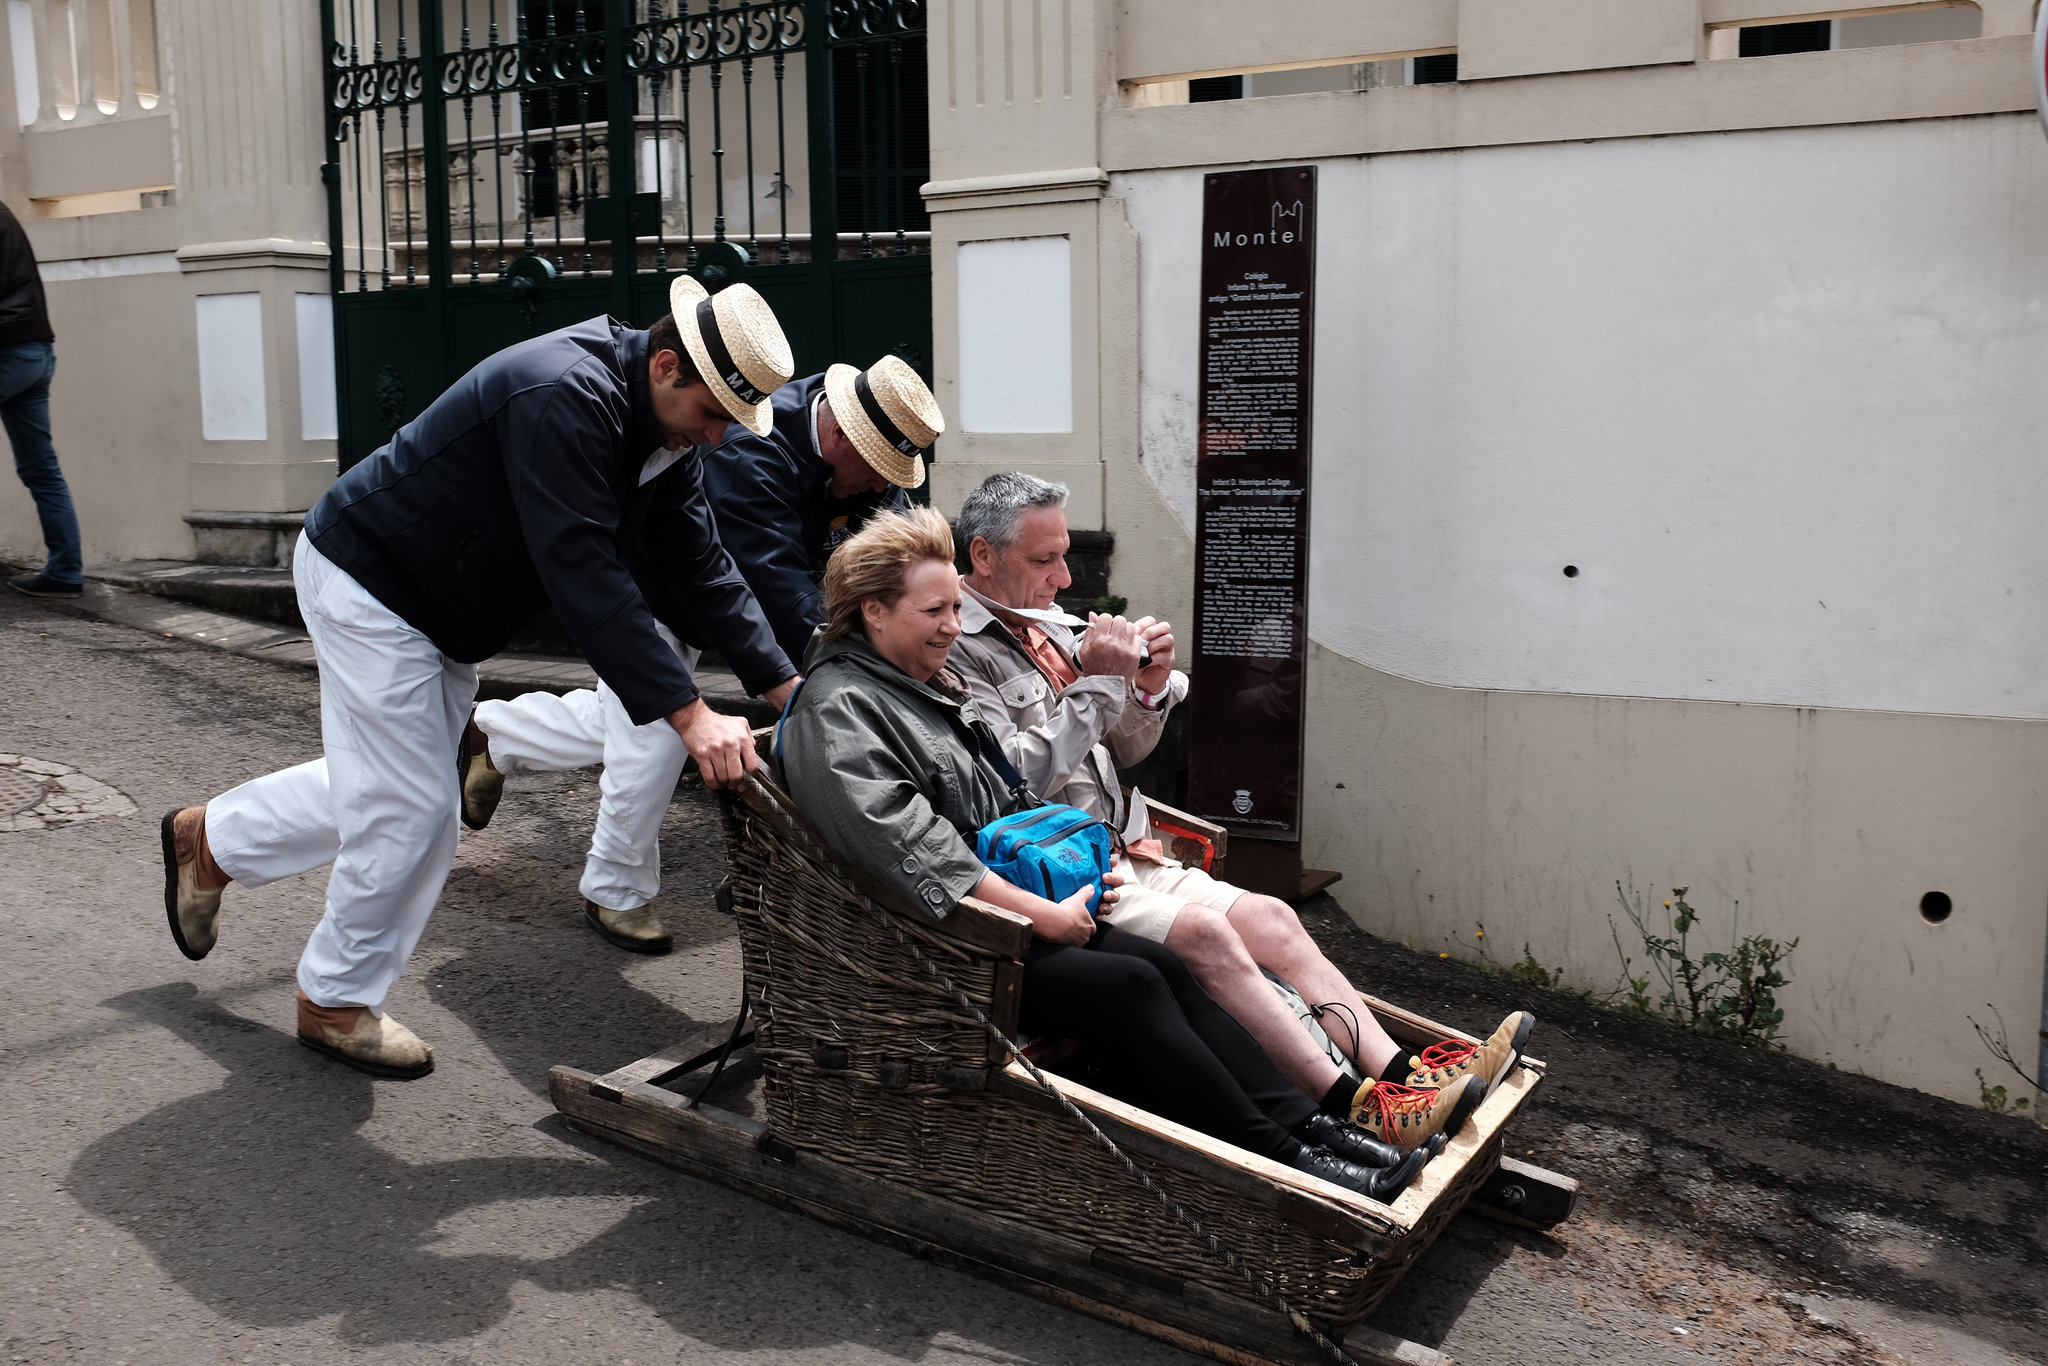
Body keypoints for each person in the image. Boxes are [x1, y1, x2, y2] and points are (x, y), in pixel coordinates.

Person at [156, 277, 799, 1078]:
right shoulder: (565, 392)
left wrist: (785, 686)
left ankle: (211, 839)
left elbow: (699, 563)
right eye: (714, 416)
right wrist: (687, 713)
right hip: (372, 581)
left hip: (434, 607)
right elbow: (584, 570)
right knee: (417, 811)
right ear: (666, 366)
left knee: (396, 789)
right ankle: (334, 1000)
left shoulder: (662, 430)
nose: (715, 440)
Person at [776, 507, 1480, 1195]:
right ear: (873, 611)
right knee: (1132, 986)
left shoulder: (918, 684)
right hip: (935, 947)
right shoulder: (839, 708)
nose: (952, 627)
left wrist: (1082, 856)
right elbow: (915, 852)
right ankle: (1290, 1161)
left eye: (955, 610)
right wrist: (1044, 916)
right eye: (935, 612)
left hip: (1004, 914)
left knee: (1164, 964)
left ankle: (1324, 1131)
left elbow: (1010, 803)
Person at [949, 472, 1533, 1138]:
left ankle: (1406, 1076)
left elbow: (1128, 751)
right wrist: (1102, 685)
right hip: (1067, 874)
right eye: (1043, 559)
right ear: (984, 557)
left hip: (1120, 845)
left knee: (1275, 918)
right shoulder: (957, 649)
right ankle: (1362, 1109)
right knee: (1210, 935)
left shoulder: (1048, 627)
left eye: (1063, 555)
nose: (1064, 577)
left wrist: (1143, 692)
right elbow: (1017, 783)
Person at [456, 356, 939, 953]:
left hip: (728, 598)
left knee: (628, 718)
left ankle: (494, 732)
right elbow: (775, 586)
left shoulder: (869, 463)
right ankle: (616, 889)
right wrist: (839, 670)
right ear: (841, 432)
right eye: (877, 469)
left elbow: (883, 563)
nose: (881, 486)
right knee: (660, 729)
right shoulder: (749, 451)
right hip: (658, 590)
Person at [0, 200, 82, 599]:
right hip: (35, 350)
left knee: (40, 468)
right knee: (41, 468)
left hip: (8, 351)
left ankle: (65, 569)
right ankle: (65, 571)